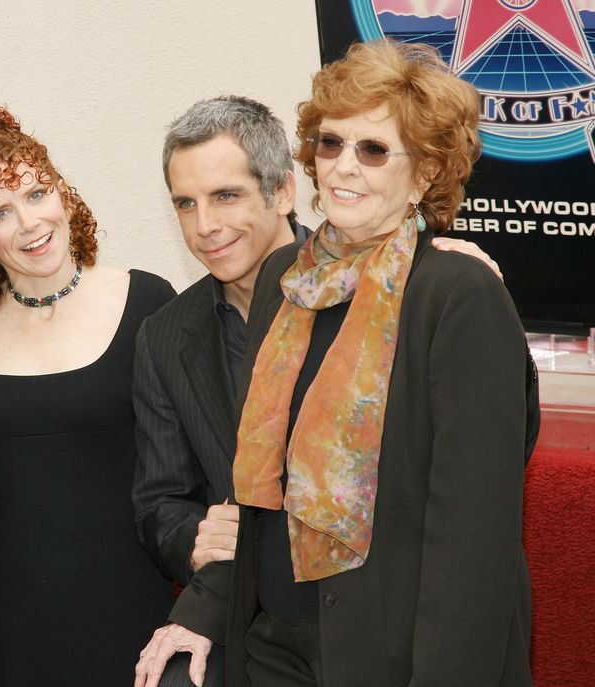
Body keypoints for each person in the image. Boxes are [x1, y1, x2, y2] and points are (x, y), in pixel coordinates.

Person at [135, 41, 532, 686]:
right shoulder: (283, 284)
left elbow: (472, 541)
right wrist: (201, 611)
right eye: (330, 144)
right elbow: (258, 482)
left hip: (399, 651)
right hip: (277, 645)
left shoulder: (455, 294)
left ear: (425, 173)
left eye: (373, 150)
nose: (344, 167)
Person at [0, 104, 177, 685]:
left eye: (37, 194)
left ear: (63, 194)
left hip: (136, 610)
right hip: (5, 620)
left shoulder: (149, 301)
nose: (30, 223)